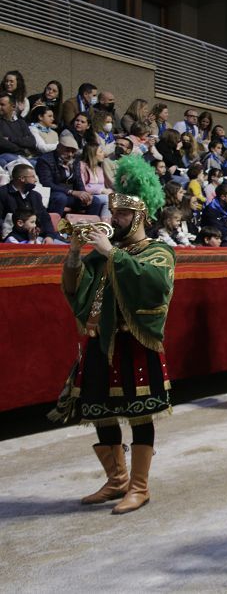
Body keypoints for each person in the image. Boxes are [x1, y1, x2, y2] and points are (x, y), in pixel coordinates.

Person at [55, 155, 173, 514]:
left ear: (139, 216)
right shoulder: (105, 252)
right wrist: (76, 252)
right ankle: (116, 479)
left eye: (121, 215)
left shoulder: (159, 250)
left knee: (140, 414)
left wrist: (112, 255)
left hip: (134, 342)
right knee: (100, 411)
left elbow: (154, 284)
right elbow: (75, 289)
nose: (112, 220)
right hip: (100, 340)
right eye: (112, 213)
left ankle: (139, 486)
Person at [36, 135, 104, 217]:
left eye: (73, 151)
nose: (70, 154)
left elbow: (78, 180)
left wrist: (84, 193)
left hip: (71, 195)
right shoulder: (45, 160)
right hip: (54, 193)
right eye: (67, 151)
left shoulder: (75, 160)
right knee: (61, 198)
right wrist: (71, 192)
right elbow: (47, 183)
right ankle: (53, 226)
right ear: (58, 147)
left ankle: (88, 227)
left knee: (95, 201)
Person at [0, 164, 61, 242]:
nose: (35, 180)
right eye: (32, 176)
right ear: (22, 178)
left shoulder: (35, 196)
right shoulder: (3, 193)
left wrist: (49, 236)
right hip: (15, 239)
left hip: (38, 237)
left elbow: (44, 218)